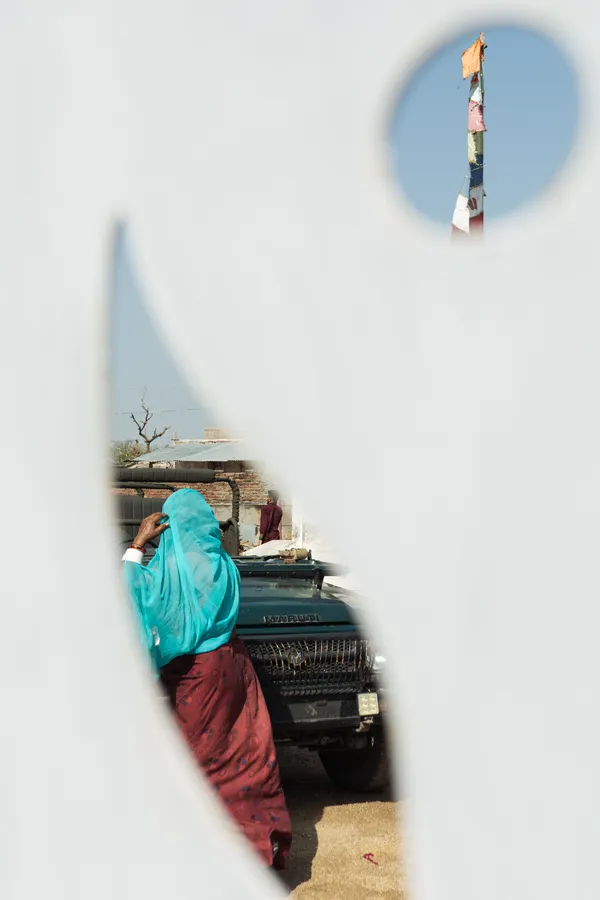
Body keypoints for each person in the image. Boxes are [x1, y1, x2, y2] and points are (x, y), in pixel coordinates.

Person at [122, 488, 292, 870]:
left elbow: (134, 601)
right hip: (236, 668)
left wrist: (136, 546)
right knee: (244, 757)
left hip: (198, 678)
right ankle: (260, 845)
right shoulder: (224, 564)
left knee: (199, 766)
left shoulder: (171, 568)